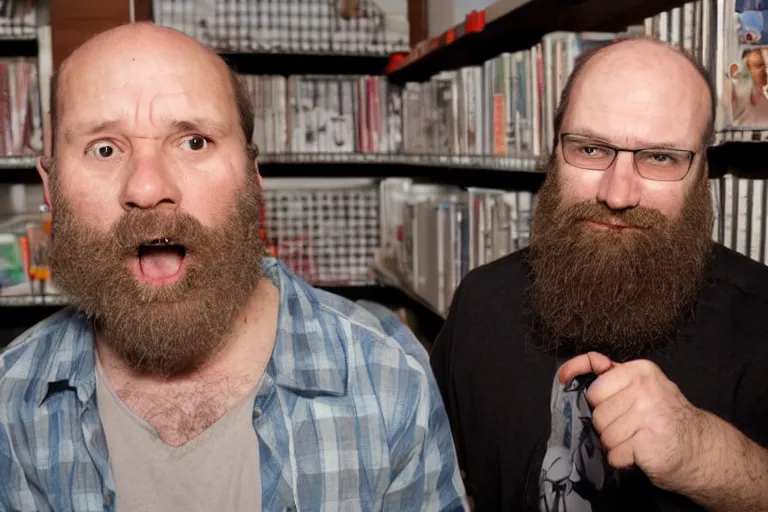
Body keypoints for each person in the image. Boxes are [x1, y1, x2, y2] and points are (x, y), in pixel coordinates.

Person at [0, 22, 467, 511]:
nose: (146, 188)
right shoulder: (12, 399)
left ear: (253, 176)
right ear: (50, 187)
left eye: (194, 141)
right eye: (104, 149)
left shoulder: (386, 373)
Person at [431, 36, 768, 511]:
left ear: (702, 171)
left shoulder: (760, 320)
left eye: (660, 157)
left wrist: (704, 452)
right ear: (553, 151)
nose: (618, 192)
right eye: (591, 149)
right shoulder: (481, 303)